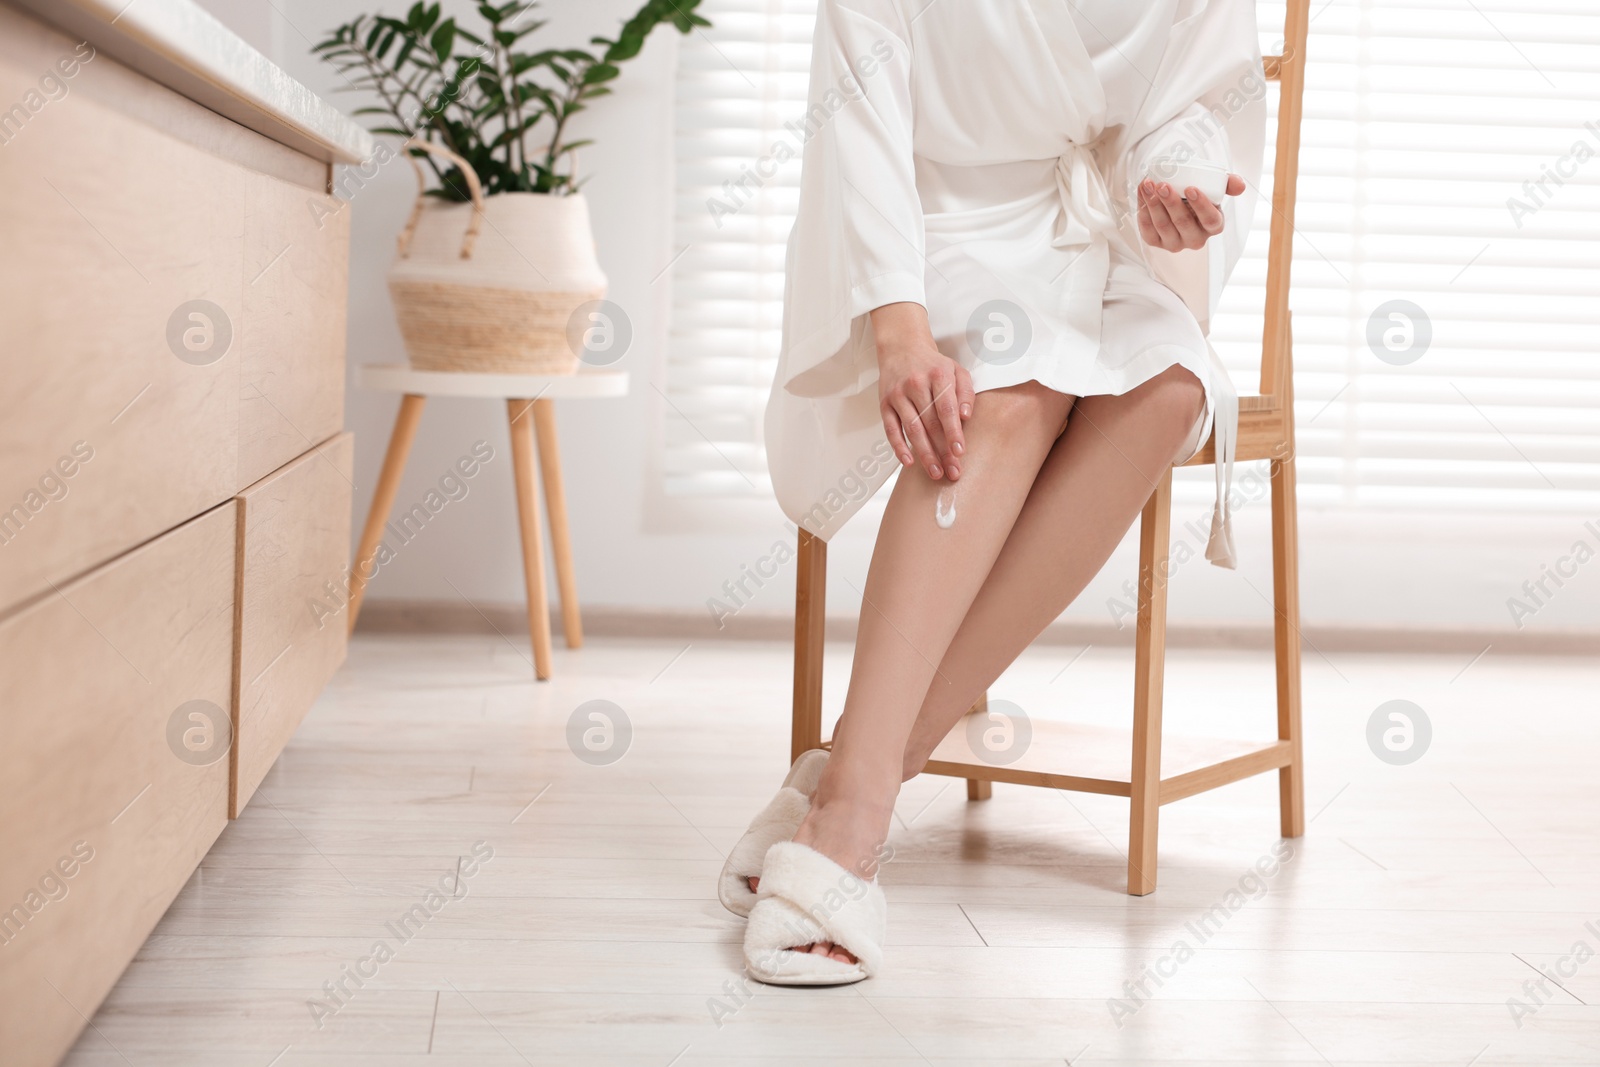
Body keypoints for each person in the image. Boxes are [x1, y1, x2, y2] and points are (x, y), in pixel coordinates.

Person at [720, 0, 1267, 985]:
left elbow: (1196, 103)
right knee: (1009, 395)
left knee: (1173, 388)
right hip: (930, 228)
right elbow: (859, 113)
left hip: (1104, 229)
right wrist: (898, 325)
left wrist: (1170, 177)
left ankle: (857, 768)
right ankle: (848, 825)